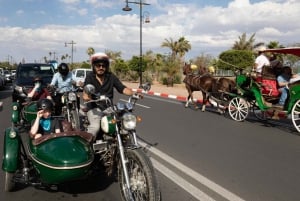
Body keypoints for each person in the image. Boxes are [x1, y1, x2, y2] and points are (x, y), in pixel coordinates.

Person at [82, 52, 133, 139]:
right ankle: (86, 147)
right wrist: (87, 97)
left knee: (123, 122)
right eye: (98, 65)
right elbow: (85, 93)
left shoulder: (111, 76)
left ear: (107, 67)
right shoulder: (90, 77)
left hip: (108, 108)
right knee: (95, 127)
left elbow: (122, 88)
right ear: (94, 66)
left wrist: (133, 93)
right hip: (94, 108)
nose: (101, 68)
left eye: (103, 65)